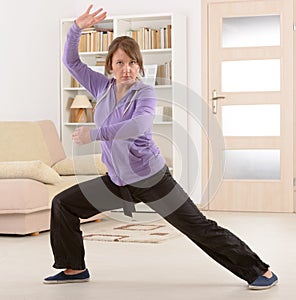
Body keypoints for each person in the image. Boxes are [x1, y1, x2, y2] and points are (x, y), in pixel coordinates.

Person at [44, 5, 278, 290]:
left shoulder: (145, 92)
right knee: (63, 204)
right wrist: (76, 29)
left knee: (199, 227)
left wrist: (95, 134)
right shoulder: (101, 88)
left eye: (132, 62)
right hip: (117, 182)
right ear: (110, 67)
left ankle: (260, 270)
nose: (126, 69)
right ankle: (74, 268)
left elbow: (138, 127)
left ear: (139, 65)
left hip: (151, 179)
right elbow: (71, 62)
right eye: (120, 63)